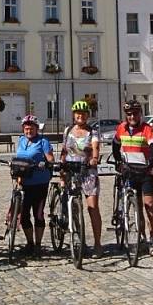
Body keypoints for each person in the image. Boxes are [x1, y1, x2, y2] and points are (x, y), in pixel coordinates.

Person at [111, 99, 153, 256]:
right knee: (137, 206)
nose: (132, 116)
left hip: (145, 172)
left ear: (140, 114)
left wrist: (151, 161)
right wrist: (118, 160)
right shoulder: (121, 128)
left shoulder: (147, 128)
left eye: (135, 113)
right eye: (129, 114)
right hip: (130, 172)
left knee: (149, 205)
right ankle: (142, 237)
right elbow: (115, 144)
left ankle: (152, 238)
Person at [60, 100, 103, 258]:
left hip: (88, 171)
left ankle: (98, 244)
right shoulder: (68, 130)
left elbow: (95, 146)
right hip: (72, 171)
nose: (81, 116)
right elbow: (64, 151)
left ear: (87, 115)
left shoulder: (93, 131)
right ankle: (79, 239)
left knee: (93, 208)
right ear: (74, 115)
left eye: (84, 114)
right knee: (74, 208)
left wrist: (95, 158)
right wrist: (62, 170)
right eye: (78, 114)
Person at [12, 114, 54, 257]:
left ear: (37, 128)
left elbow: (50, 158)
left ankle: (38, 245)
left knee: (38, 214)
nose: (28, 131)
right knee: (23, 215)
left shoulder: (43, 141)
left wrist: (47, 163)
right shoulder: (21, 140)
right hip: (24, 183)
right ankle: (29, 243)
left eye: (31, 128)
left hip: (39, 182)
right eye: (26, 128)